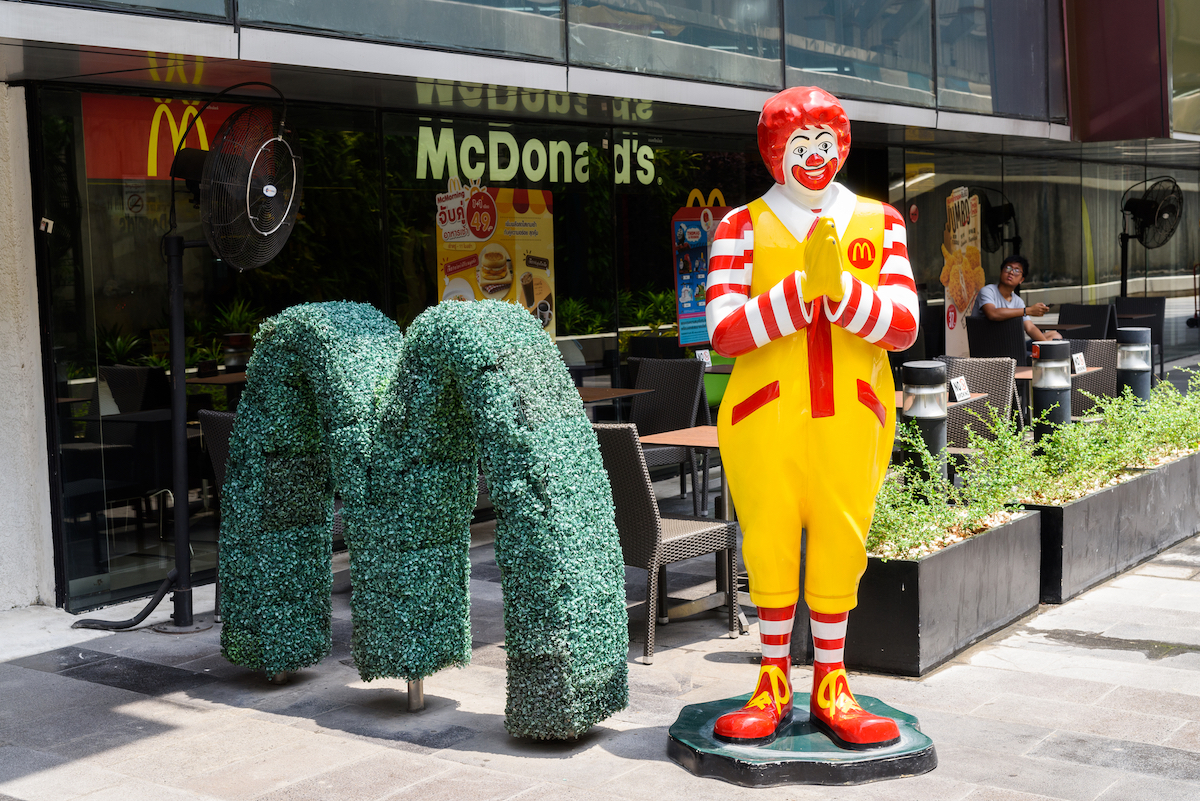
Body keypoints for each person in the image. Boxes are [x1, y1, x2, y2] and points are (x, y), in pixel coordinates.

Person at [705, 86, 918, 749]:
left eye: (825, 143)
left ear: (842, 146)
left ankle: (831, 680)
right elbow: (723, 331)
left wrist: (844, 292)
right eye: (800, 145)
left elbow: (905, 324)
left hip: (851, 418)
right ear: (774, 152)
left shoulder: (881, 223)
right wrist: (800, 293)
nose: (814, 157)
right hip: (764, 420)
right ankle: (772, 679)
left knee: (840, 542)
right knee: (766, 541)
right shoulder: (739, 227)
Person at [975, 254, 1061, 341]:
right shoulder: (988, 291)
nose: (1011, 272)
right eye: (1008, 268)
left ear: (1021, 280)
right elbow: (992, 314)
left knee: (1055, 335)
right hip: (989, 346)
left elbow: (1030, 328)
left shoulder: (1017, 301)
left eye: (1017, 270)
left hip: (1013, 346)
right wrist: (1028, 310)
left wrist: (1046, 345)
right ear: (1001, 271)